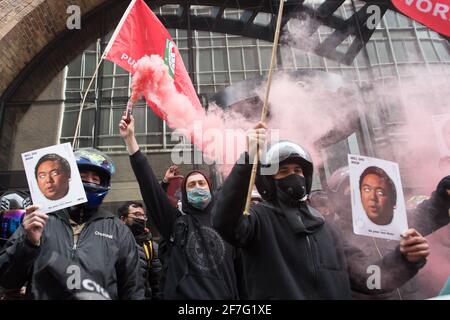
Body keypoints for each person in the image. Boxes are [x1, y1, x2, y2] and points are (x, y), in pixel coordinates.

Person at [212, 122, 430, 299]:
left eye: (298, 170)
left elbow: (367, 278)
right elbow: (225, 220)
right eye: (283, 171)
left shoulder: (327, 228)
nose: (293, 175)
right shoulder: (258, 222)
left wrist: (405, 260)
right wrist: (248, 159)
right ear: (267, 180)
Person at [119, 114, 238, 300]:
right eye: (191, 185)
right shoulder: (176, 223)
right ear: (185, 193)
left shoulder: (226, 222)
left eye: (201, 183)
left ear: (210, 188)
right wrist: (130, 140)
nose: (197, 187)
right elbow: (150, 187)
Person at [0, 148, 144, 300]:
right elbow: (6, 280)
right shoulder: (39, 221)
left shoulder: (118, 229)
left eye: (96, 179)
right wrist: (28, 244)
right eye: (83, 177)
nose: (89, 181)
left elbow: (132, 288)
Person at [327, 166, 450, 299]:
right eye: (350, 189)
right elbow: (363, 278)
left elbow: (427, 216)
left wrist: (443, 197)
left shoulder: (391, 220)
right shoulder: (333, 235)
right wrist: (404, 260)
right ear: (336, 198)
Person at [118, 201, 162, 300]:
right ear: (123, 219)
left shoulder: (150, 246)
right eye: (137, 215)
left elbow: (156, 283)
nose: (141, 218)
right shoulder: (113, 243)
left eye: (143, 216)